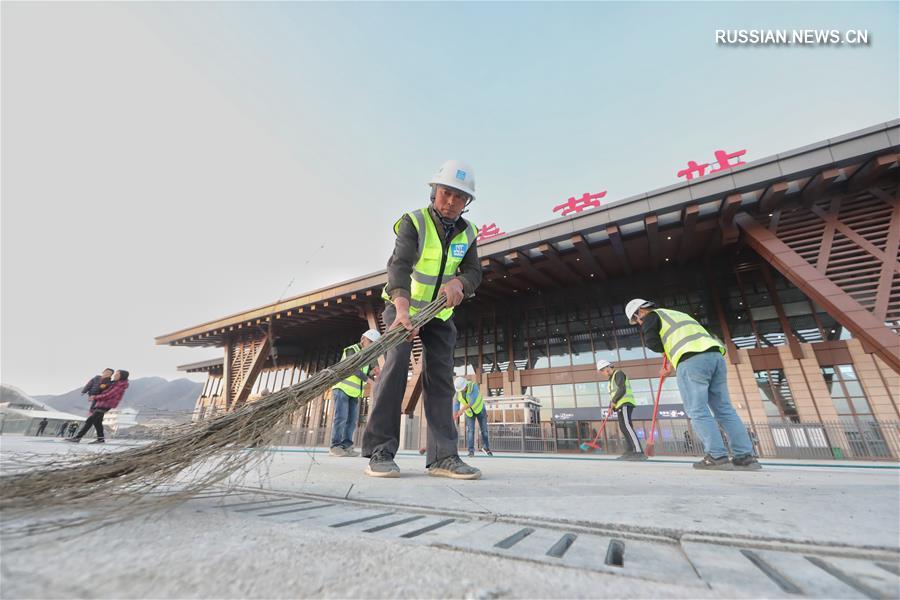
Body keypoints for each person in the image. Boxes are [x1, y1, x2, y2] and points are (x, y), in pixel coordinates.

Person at [361, 160, 482, 479]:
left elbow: (473, 272)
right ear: (434, 191)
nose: (452, 202)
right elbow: (398, 268)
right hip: (403, 307)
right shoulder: (414, 222)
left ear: (467, 202)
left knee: (441, 376)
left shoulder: (468, 233)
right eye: (446, 193)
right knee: (396, 363)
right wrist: (402, 310)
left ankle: (444, 456)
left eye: (460, 197)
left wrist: (460, 284)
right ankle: (381, 449)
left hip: (439, 314)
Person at [625, 299, 761, 471]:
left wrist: (666, 353)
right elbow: (686, 341)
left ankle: (717, 456)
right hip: (715, 357)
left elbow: (652, 342)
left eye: (637, 319)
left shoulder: (651, 316)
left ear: (641, 311)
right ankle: (745, 457)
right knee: (724, 409)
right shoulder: (679, 315)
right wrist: (670, 366)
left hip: (691, 361)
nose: (639, 323)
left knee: (697, 409)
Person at [330, 329, 381, 457]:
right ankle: (335, 446)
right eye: (371, 342)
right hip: (342, 388)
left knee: (352, 421)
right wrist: (370, 381)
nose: (372, 345)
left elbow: (365, 372)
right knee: (341, 418)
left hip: (355, 392)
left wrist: (373, 372)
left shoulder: (367, 355)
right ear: (363, 339)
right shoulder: (351, 350)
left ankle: (346, 446)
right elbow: (352, 368)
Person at [596, 360, 645, 460]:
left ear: (607, 367)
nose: (603, 374)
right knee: (623, 427)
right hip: (619, 405)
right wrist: (611, 407)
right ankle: (630, 451)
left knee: (626, 426)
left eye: (602, 371)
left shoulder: (618, 374)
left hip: (625, 403)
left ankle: (639, 451)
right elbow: (614, 395)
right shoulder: (611, 380)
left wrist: (614, 402)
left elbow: (622, 389)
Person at [66, 370, 130, 444]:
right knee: (97, 422)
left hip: (106, 405)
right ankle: (100, 439)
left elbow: (108, 395)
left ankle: (77, 438)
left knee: (90, 420)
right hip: (101, 403)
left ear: (122, 376)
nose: (114, 375)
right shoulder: (114, 383)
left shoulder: (120, 385)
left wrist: (95, 397)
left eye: (117, 374)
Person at [453, 377, 492, 457]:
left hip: (480, 410)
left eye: (462, 389)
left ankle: (486, 447)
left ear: (465, 385)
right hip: (470, 413)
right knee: (470, 432)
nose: (460, 391)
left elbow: (472, 401)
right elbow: (456, 403)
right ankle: (471, 451)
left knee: (484, 431)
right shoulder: (458, 392)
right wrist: (455, 413)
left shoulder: (473, 386)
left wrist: (461, 410)